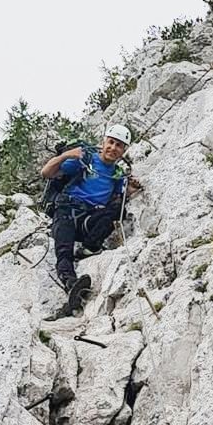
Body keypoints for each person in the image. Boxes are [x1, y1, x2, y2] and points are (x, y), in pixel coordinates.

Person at [41, 124, 140, 309]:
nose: (113, 148)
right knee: (64, 251)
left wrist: (131, 190)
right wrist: (66, 155)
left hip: (89, 219)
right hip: (67, 211)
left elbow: (120, 199)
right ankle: (71, 283)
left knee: (119, 210)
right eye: (111, 142)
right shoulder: (85, 159)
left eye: (119, 145)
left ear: (124, 150)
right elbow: (46, 173)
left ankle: (88, 249)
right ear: (103, 142)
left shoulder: (118, 175)